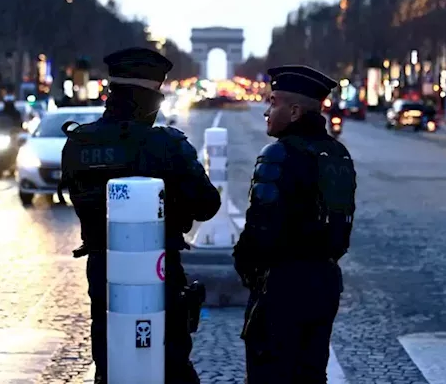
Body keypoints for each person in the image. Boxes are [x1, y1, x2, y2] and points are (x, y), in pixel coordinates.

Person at [60, 47, 221, 384]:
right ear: (149, 99)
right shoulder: (166, 145)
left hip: (101, 266)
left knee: (111, 361)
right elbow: (208, 204)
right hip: (158, 267)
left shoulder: (78, 144)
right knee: (170, 363)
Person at [233, 65, 357, 383]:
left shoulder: (279, 155)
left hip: (282, 285)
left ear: (295, 111)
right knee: (311, 373)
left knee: (269, 374)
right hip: (325, 283)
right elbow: (342, 226)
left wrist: (250, 273)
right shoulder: (338, 154)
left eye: (273, 102)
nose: (266, 111)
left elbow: (259, 232)